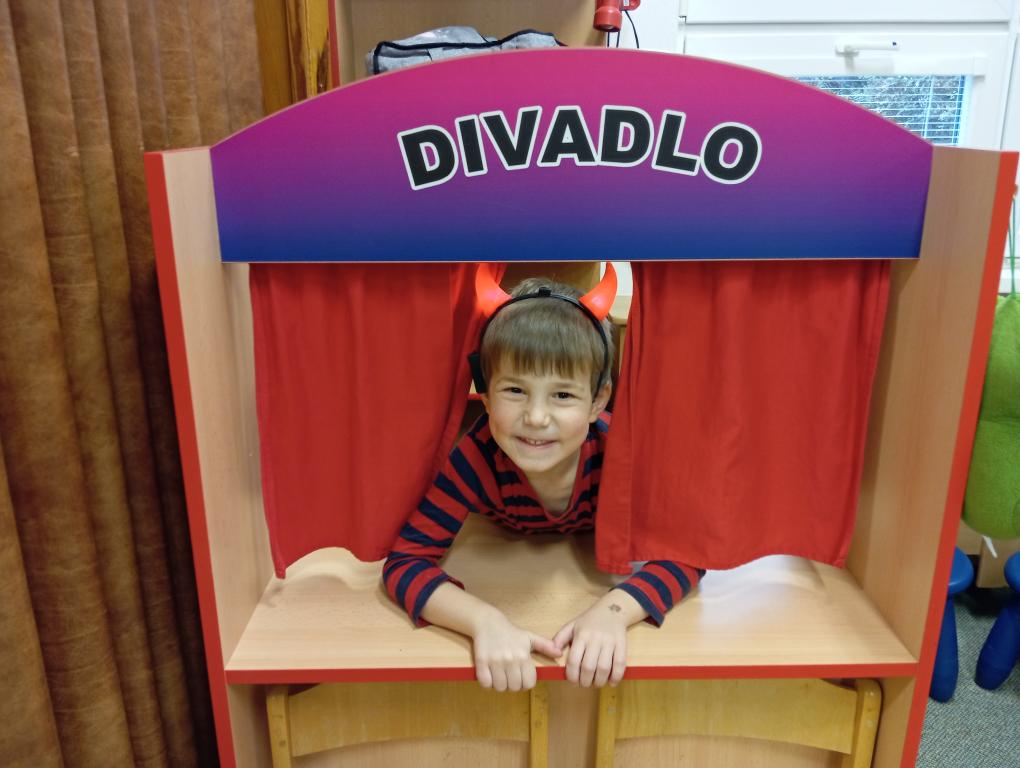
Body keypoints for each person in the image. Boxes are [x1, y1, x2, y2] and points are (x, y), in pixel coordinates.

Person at [383, 270, 704, 692]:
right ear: (486, 393)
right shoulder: (476, 457)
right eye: (515, 391)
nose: (536, 417)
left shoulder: (619, 455)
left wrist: (614, 612)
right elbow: (405, 563)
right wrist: (482, 621)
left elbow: (688, 553)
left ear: (598, 401)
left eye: (563, 395)